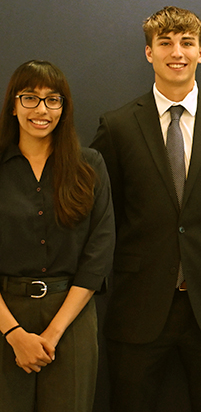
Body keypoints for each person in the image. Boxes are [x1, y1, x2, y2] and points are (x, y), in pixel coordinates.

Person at [91, 6, 201, 412]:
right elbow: (106, 214)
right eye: (165, 43)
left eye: (187, 42)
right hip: (138, 306)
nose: (177, 52)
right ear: (148, 52)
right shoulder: (117, 126)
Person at [0, 60, 115, 412]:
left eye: (53, 100)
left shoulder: (89, 165)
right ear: (14, 105)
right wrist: (14, 334)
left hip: (70, 316)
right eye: (30, 98)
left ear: (64, 108)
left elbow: (98, 253)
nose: (42, 110)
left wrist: (52, 333)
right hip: (5, 315)